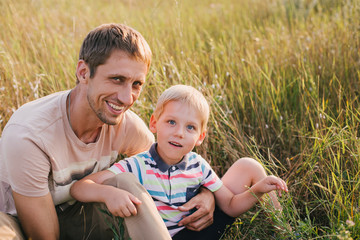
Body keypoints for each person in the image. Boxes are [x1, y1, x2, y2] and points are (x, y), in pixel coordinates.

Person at [0, 24, 215, 240]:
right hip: (13, 219)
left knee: (127, 184)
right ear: (84, 73)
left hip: (77, 212)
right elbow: (44, 236)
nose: (127, 98)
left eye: (136, 84)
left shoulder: (125, 125)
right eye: (117, 79)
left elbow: (167, 162)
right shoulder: (30, 135)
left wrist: (207, 194)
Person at [70, 84, 288, 239]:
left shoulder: (198, 165)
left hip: (197, 230)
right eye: (171, 122)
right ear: (154, 123)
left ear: (200, 137)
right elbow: (79, 188)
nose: (179, 133)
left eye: (190, 127)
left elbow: (230, 206)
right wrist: (110, 193)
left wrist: (257, 190)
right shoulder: (138, 165)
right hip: (159, 235)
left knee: (249, 165)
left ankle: (286, 231)